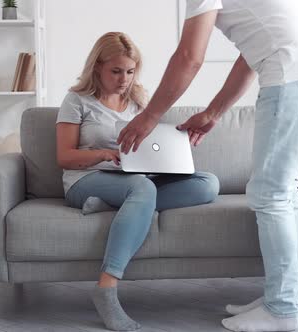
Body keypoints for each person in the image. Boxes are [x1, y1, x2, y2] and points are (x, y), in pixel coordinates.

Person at [116, 1, 298, 331]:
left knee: (272, 196)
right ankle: (279, 298)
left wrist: (149, 116)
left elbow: (189, 58)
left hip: (294, 81)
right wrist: (213, 113)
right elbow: (252, 54)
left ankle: (281, 309)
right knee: (283, 194)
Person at [55, 31, 220, 331]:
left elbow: (150, 145)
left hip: (132, 179)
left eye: (130, 71)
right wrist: (102, 154)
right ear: (97, 67)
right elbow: (64, 157)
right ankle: (106, 288)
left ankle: (121, 206)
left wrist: (170, 154)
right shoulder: (76, 100)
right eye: (116, 71)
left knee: (207, 184)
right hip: (86, 180)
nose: (124, 79)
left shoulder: (139, 100)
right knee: (141, 189)